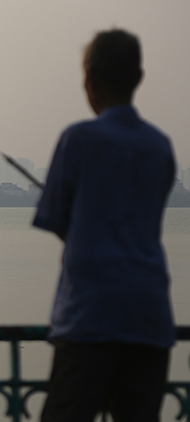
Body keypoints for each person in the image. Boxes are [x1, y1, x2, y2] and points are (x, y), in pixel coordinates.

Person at [33, 29, 176, 422]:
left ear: (89, 80)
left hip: (90, 319)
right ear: (138, 79)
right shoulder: (160, 146)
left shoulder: (78, 140)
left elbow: (57, 217)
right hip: (148, 319)